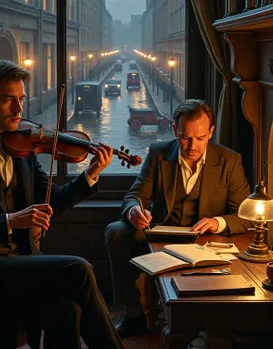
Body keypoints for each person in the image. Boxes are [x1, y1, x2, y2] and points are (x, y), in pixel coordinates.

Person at [0, 60, 124, 349]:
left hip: (18, 265)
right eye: (8, 100)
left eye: (21, 99)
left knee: (67, 309)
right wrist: (9, 221)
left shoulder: (23, 148)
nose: (19, 110)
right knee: (77, 268)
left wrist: (90, 173)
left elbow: (52, 199)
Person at [105, 99, 250, 338]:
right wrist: (133, 211)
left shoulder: (229, 160)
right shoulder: (158, 153)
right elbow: (135, 195)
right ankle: (133, 314)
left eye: (200, 138)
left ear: (211, 132)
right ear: (175, 130)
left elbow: (244, 215)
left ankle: (202, 325)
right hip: (160, 234)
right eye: (185, 137)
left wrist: (218, 222)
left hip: (205, 240)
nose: (192, 146)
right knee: (116, 231)